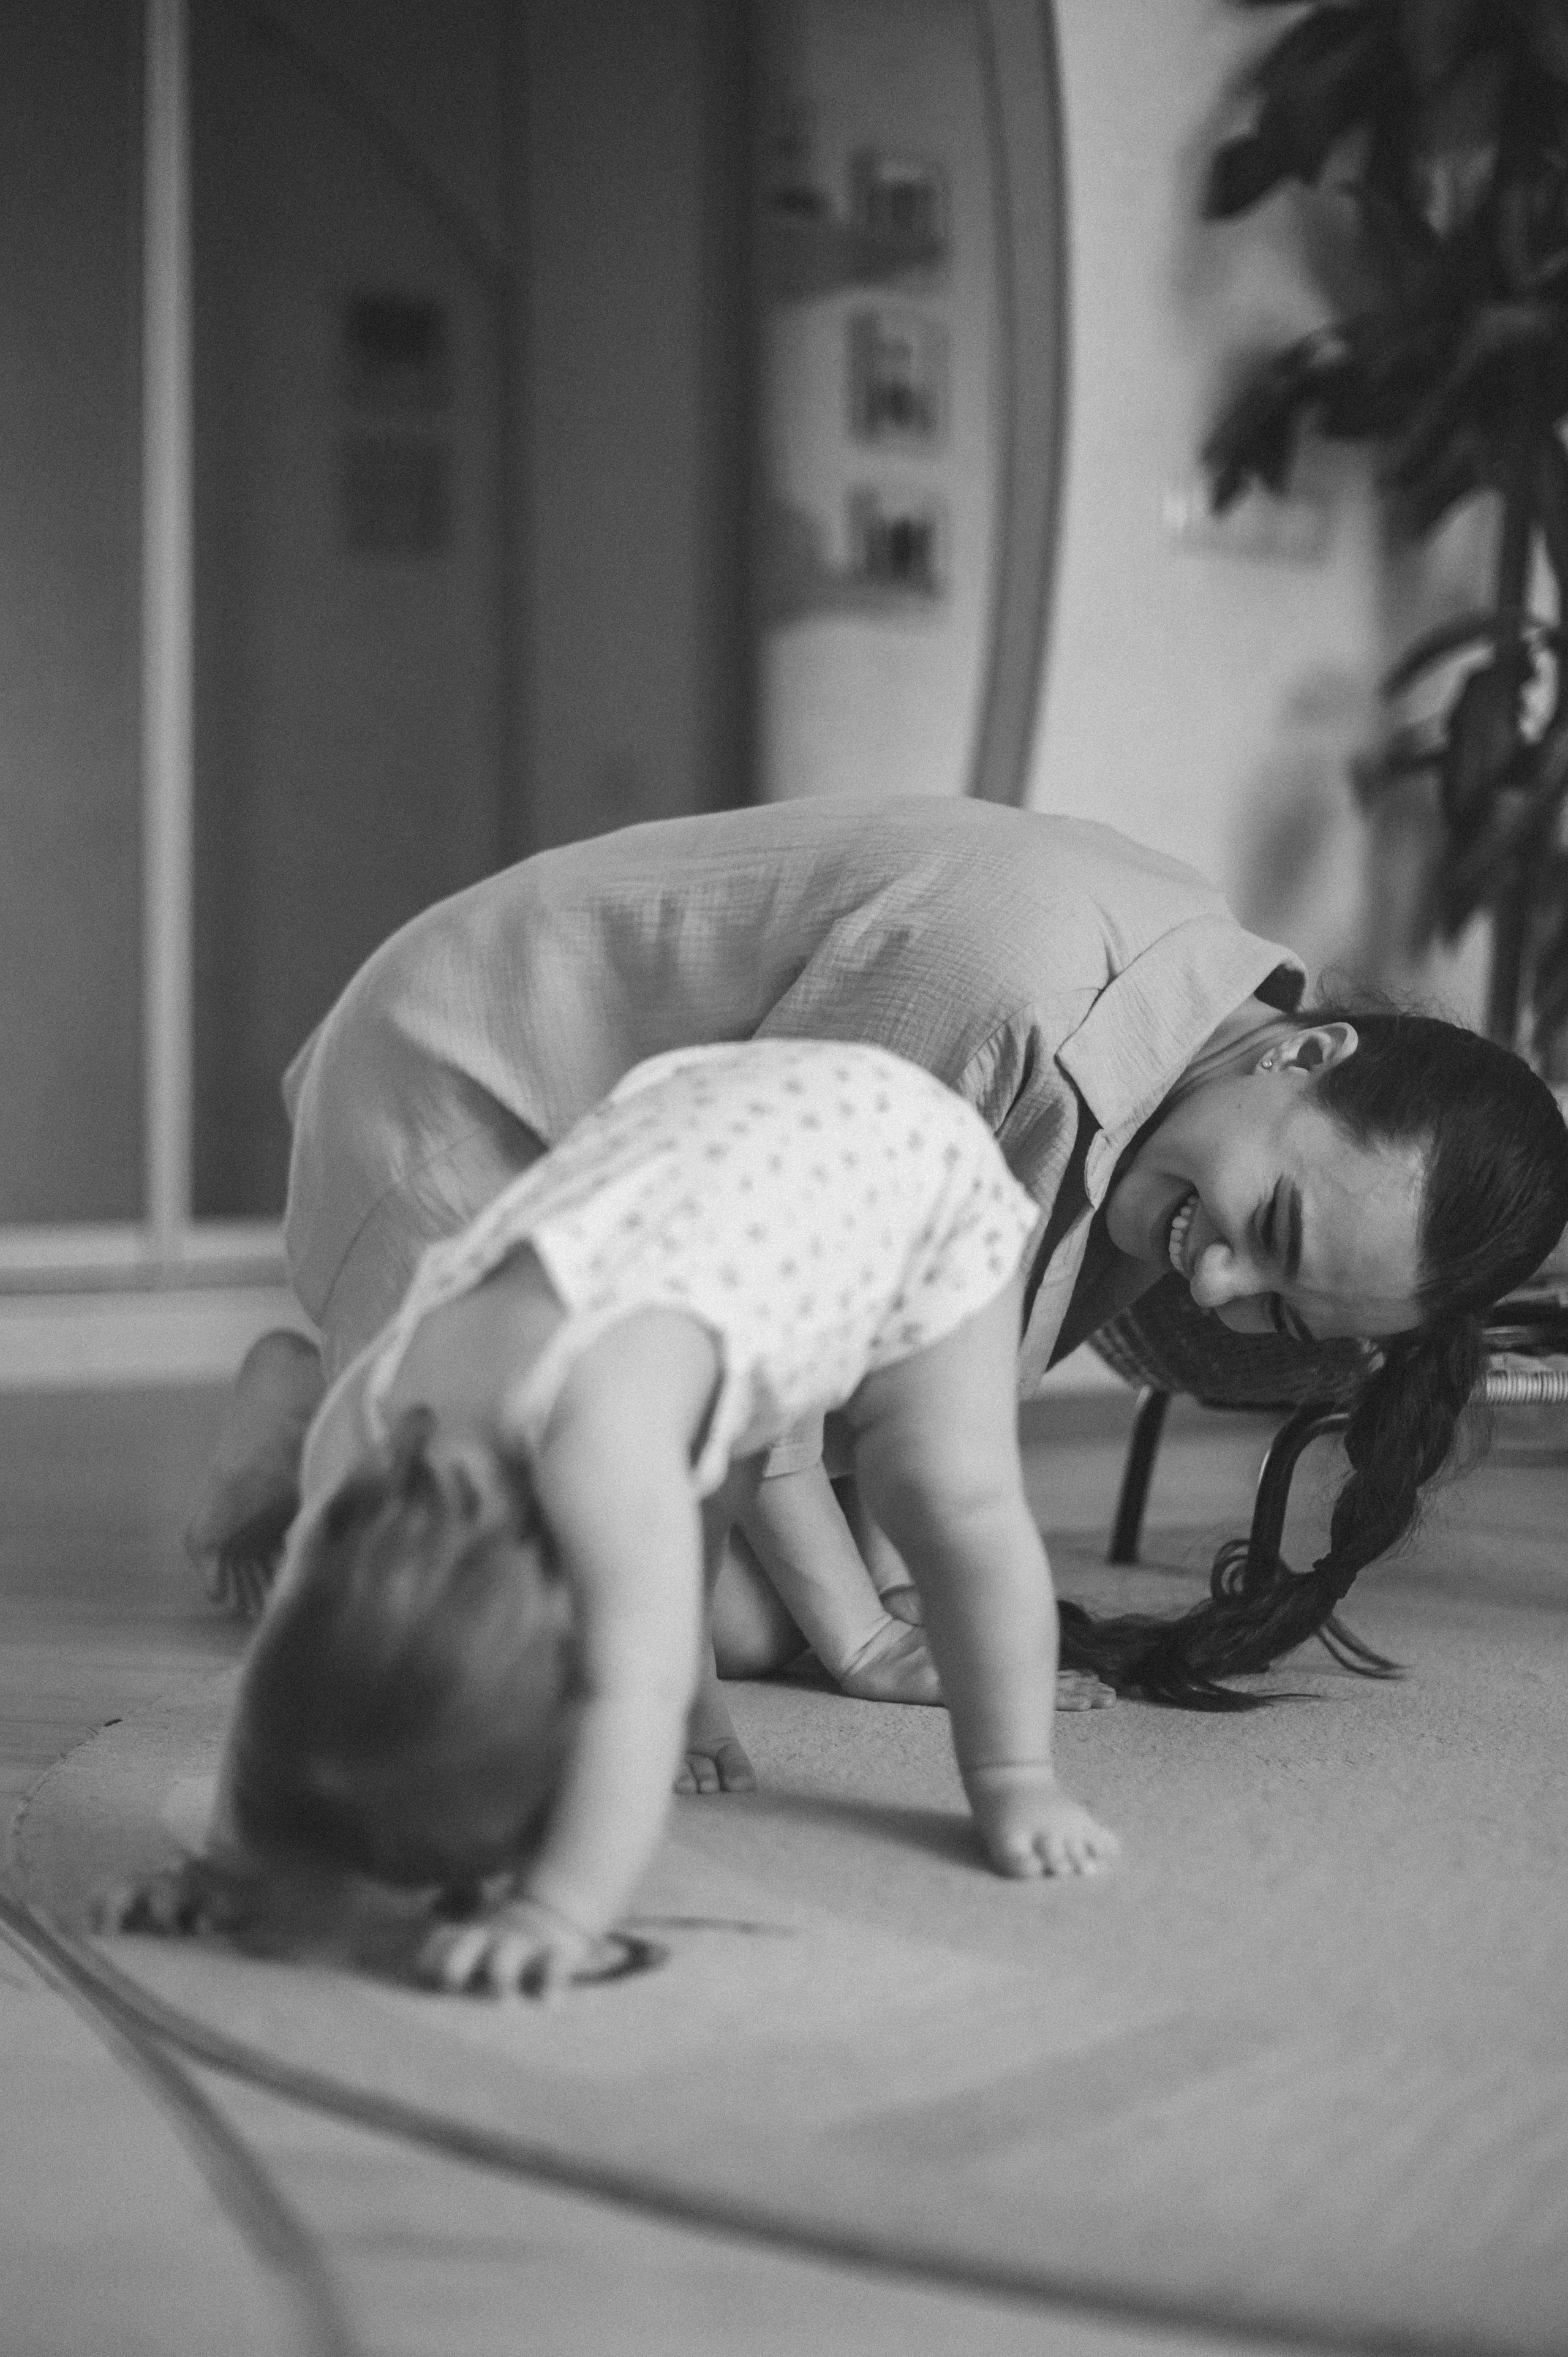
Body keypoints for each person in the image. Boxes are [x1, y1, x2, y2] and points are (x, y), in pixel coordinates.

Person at [186, 797, 1568, 1706]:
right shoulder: (1006, 987)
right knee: (592, 1629)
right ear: (1307, 1056)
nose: (1218, 1286)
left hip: (651, 1190)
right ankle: (321, 1407)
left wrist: (902, 1589)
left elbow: (923, 1363)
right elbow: (750, 1295)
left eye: (1278, 1312)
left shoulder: (1202, 1066)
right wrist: (857, 1634)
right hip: (474, 1095)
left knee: (736, 1611)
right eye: (1271, 1232)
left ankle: (375, 1391)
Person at [103, 1042, 1121, 1996]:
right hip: (698, 1135)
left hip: (895, 1163)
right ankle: (718, 1715)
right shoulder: (356, 1436)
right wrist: (235, 1862)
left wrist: (558, 1909)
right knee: (686, 1487)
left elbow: (634, 1686)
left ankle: (1015, 1771)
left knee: (942, 1490)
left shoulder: (596, 1436)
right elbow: (287, 1661)